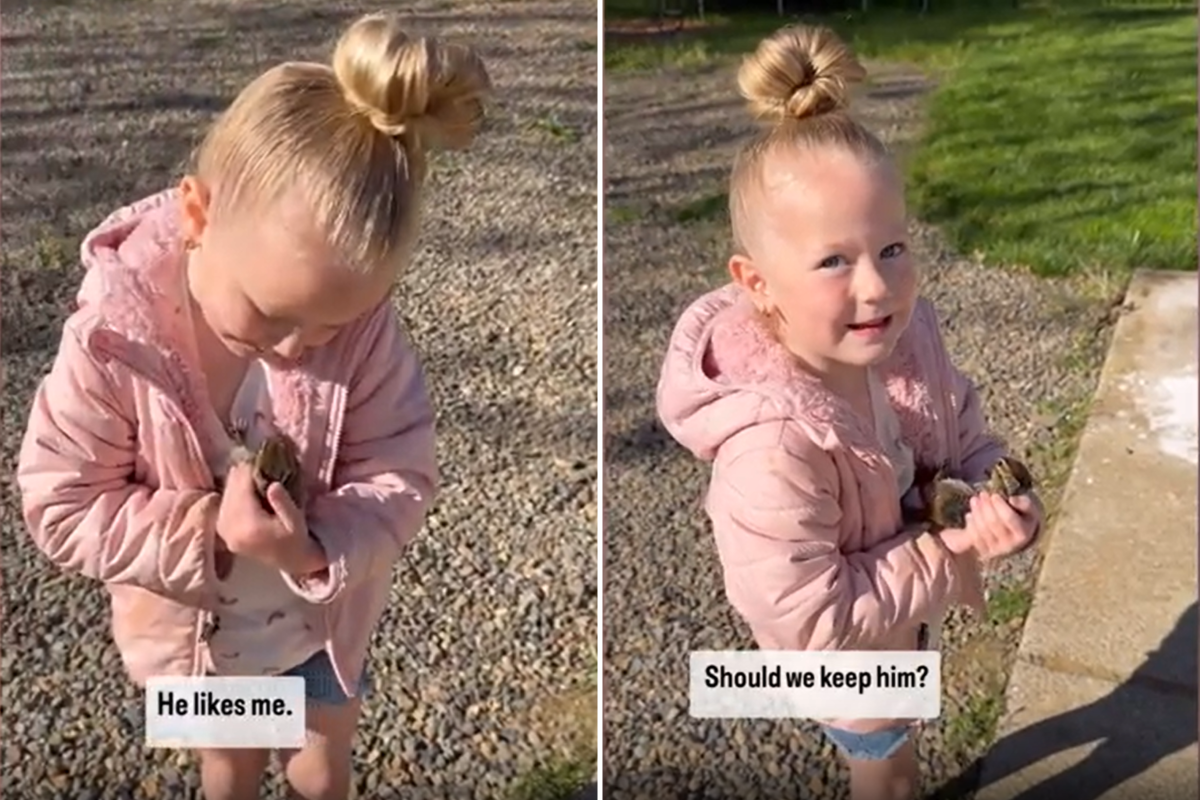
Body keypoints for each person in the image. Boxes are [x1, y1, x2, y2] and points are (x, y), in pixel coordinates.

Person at [16, 12, 490, 800]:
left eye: (331, 323)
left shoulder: (366, 336)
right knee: (229, 769)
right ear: (197, 215)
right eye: (271, 314)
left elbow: (400, 476)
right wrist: (207, 533)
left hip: (322, 626)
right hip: (198, 644)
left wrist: (310, 552)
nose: (298, 348)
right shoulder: (113, 341)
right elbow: (61, 503)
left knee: (321, 762)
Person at [655, 24, 1043, 800]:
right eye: (834, 260)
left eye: (893, 248)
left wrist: (1000, 489)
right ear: (756, 281)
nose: (877, 287)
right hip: (840, 658)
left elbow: (963, 432)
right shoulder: (770, 449)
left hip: (901, 621)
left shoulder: (902, 341)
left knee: (905, 738)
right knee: (888, 773)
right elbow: (812, 618)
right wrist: (957, 547)